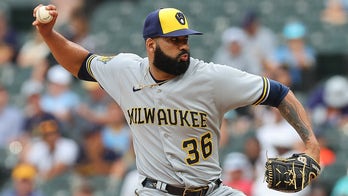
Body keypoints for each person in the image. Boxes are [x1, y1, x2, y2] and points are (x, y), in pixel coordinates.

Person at [32, 5, 320, 196]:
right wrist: (48, 34)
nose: (183, 47)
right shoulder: (125, 71)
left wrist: (311, 146)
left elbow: (280, 93)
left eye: (185, 39)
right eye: (174, 40)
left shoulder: (212, 77)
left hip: (211, 189)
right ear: (151, 44)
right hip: (155, 190)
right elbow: (80, 63)